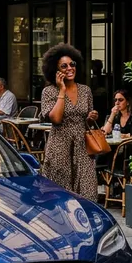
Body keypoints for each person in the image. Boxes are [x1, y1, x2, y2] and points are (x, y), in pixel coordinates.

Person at [40, 44, 99, 201]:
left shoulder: (85, 90)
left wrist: (90, 118)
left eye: (72, 64)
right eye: (64, 66)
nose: (69, 68)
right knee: (60, 194)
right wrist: (62, 90)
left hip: (82, 147)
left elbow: (87, 121)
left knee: (88, 191)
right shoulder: (49, 91)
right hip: (60, 146)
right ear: (55, 70)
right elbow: (56, 119)